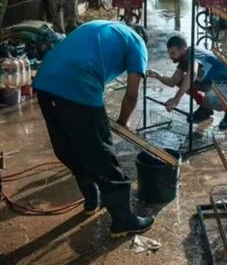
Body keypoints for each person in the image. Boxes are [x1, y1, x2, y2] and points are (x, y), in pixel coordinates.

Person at [33, 20, 153, 238]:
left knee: (69, 145)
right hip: (78, 84)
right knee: (102, 152)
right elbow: (132, 93)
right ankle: (124, 220)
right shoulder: (138, 43)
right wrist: (123, 121)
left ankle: (91, 200)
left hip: (45, 81)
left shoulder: (101, 26)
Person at [147, 35, 227, 130]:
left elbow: (192, 73)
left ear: (183, 49)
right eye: (169, 53)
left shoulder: (193, 52)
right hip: (211, 83)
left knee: (211, 99)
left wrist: (176, 99)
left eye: (173, 53)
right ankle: (205, 109)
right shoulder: (183, 59)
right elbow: (173, 81)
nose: (170, 57)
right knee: (182, 81)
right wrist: (158, 75)